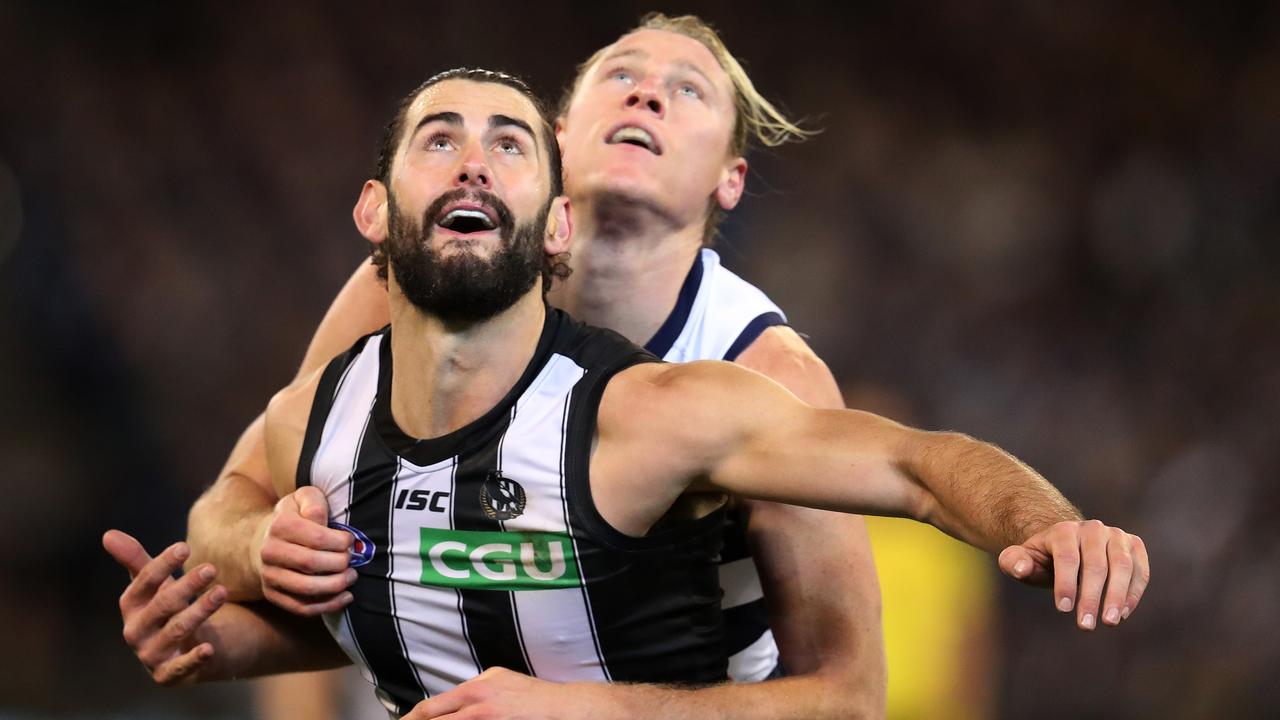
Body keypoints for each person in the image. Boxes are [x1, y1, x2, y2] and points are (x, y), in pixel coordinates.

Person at [107, 67, 1148, 719]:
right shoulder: (347, 380)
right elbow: (293, 536)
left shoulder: (709, 394)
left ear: (550, 216)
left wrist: (1049, 523)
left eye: (503, 143)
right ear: (375, 217)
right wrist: (223, 610)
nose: (471, 164)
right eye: (441, 142)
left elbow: (908, 498)